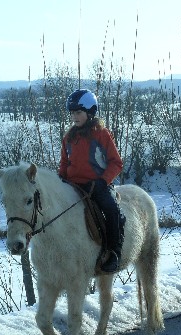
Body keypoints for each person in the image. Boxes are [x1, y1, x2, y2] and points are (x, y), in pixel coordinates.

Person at [58, 89, 125, 273]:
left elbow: (116, 163)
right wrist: (60, 180)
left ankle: (114, 253)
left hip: (98, 185)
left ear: (90, 112)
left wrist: (103, 181)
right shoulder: (68, 138)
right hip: (73, 186)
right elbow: (64, 164)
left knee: (112, 210)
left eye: (78, 112)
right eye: (72, 113)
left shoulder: (101, 134)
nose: (74, 117)